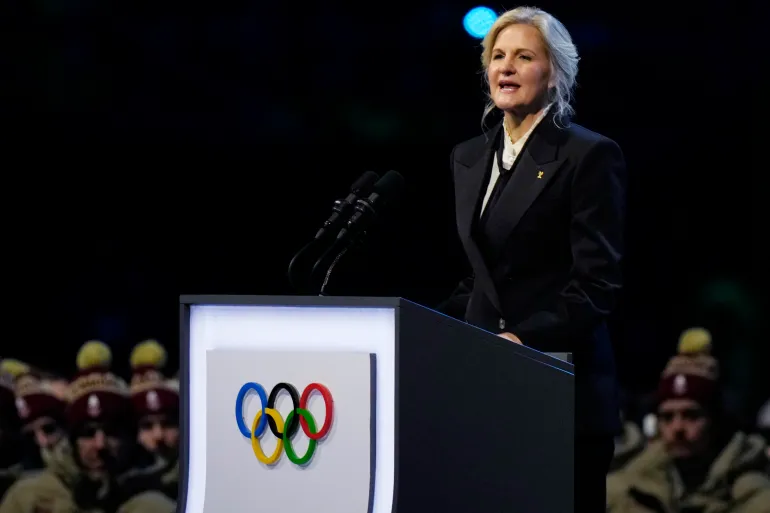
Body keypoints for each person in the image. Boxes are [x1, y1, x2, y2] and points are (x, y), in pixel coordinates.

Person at [438, 6, 626, 511]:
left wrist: (522, 341)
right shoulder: (468, 157)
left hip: (560, 386)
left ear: (555, 73)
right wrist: (434, 330)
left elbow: (596, 285)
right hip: (485, 385)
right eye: (497, 56)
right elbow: (479, 277)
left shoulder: (588, 155)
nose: (506, 67)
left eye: (524, 56)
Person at [606, 337, 770, 512]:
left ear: (715, 420)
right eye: (667, 417)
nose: (678, 428)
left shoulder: (752, 491)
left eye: (691, 415)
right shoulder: (628, 487)